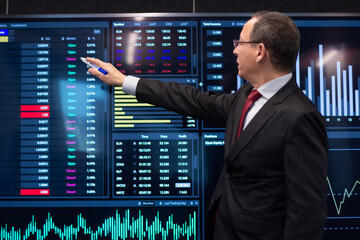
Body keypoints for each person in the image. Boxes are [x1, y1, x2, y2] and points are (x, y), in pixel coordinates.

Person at [87, 11, 328, 240]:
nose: (234, 50)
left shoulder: (300, 116)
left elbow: (307, 214)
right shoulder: (245, 96)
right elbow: (192, 99)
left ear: (260, 51)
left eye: (240, 43)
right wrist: (124, 81)